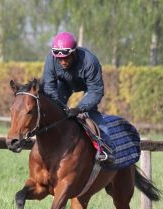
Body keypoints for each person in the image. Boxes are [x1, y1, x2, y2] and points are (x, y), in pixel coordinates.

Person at [42, 31, 114, 163]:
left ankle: (107, 149)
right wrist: (59, 106)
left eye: (66, 57)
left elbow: (96, 91)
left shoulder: (90, 61)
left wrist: (80, 108)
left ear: (74, 52)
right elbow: (48, 87)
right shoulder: (51, 59)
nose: (63, 62)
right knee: (52, 109)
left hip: (88, 86)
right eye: (59, 58)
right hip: (64, 84)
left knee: (90, 113)